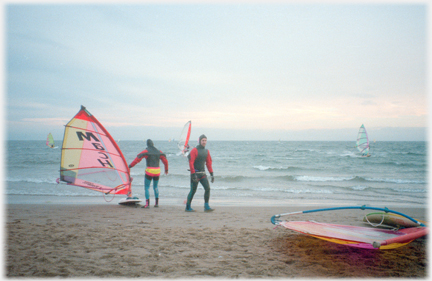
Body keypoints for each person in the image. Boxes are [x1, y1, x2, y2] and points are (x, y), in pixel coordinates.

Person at [129, 139, 168, 208]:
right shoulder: (159, 152)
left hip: (149, 171)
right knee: (155, 187)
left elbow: (138, 158)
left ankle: (147, 204)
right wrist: (166, 169)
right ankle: (156, 204)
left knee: (147, 188)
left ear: (147, 144)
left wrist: (130, 166)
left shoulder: (146, 151)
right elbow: (165, 161)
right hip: (157, 171)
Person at [186, 134, 215, 212]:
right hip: (195, 174)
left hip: (202, 174)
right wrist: (193, 174)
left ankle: (206, 206)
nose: (204, 142)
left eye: (205, 140)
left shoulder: (206, 151)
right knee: (193, 191)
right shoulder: (194, 150)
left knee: (207, 188)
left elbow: (208, 163)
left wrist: (212, 174)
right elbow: (191, 162)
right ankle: (188, 207)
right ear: (199, 141)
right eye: (203, 140)